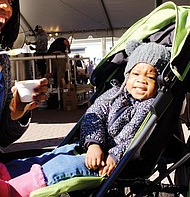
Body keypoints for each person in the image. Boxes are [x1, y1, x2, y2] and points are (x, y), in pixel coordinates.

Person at [0, 40, 171, 196]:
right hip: (90, 147)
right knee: (55, 155)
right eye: (136, 74)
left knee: (61, 167)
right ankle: (8, 172)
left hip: (109, 162)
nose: (142, 81)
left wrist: (115, 155)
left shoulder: (148, 107)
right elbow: (93, 116)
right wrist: (94, 144)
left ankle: (13, 190)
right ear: (126, 75)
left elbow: (134, 135)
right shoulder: (113, 95)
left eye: (150, 76)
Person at [0, 0, 48, 148]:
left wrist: (17, 109)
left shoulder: (3, 60)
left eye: (11, 0)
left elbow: (3, 138)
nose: (7, 7)